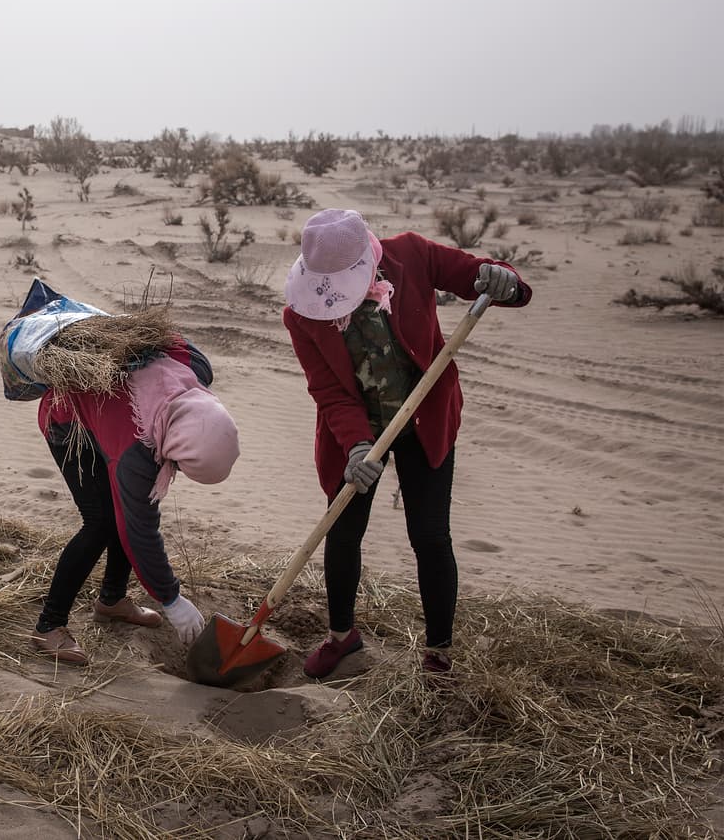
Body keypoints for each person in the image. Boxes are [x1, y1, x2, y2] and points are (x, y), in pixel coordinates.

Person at [281, 209, 531, 678]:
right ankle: (342, 638)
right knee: (343, 531)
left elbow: (480, 275)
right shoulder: (301, 316)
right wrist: (357, 446)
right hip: (354, 434)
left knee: (430, 536)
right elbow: (329, 390)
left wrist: (503, 281)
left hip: (425, 418)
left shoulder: (412, 255)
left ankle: (439, 654)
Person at [30, 337, 240, 665]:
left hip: (108, 417)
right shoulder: (136, 452)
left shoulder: (197, 373)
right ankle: (49, 625)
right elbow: (139, 530)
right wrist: (171, 600)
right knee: (102, 522)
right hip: (67, 419)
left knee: (124, 508)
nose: (176, 470)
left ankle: (111, 601)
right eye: (181, 464)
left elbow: (174, 343)